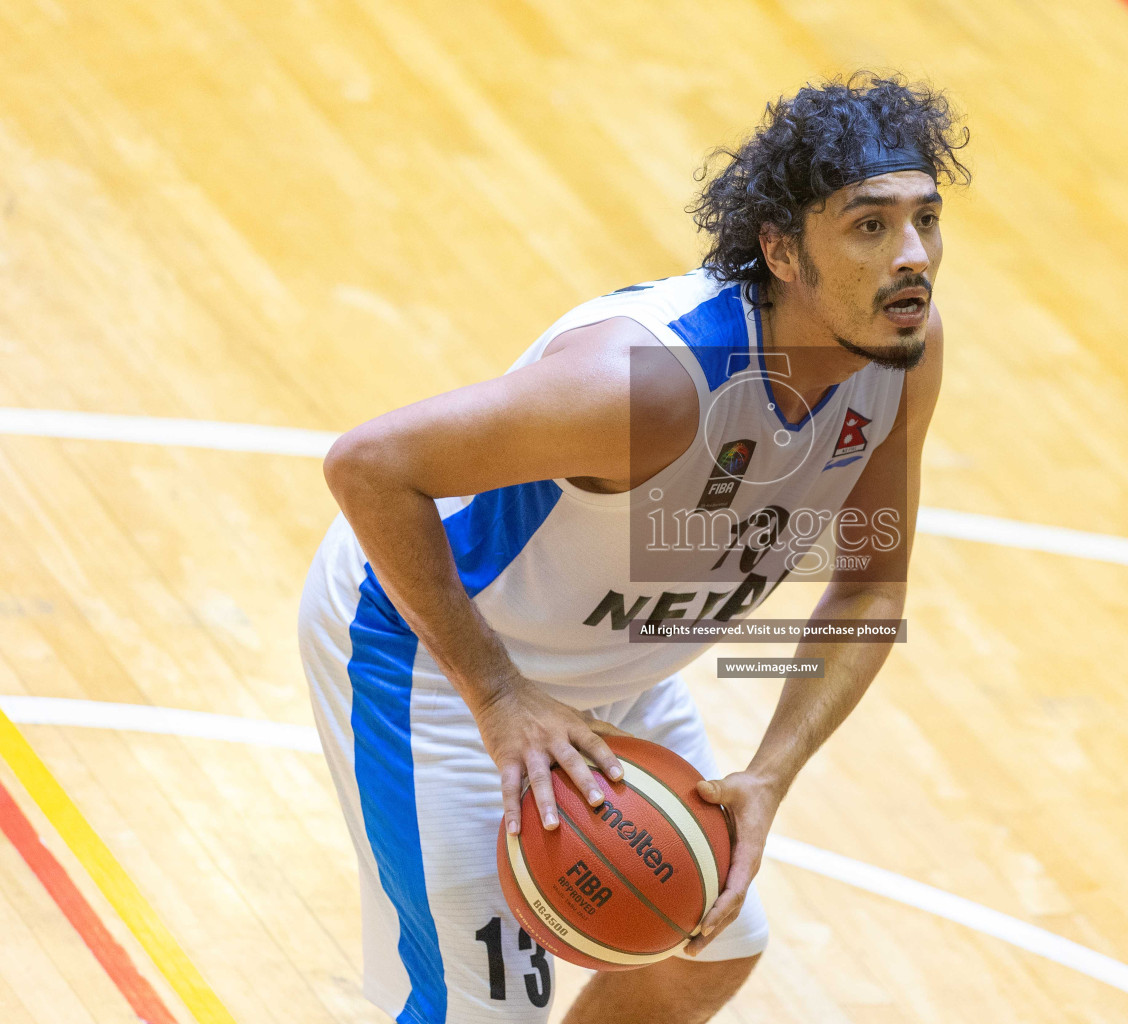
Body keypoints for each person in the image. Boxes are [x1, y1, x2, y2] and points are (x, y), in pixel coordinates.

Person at [298, 71, 969, 1024]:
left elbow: (866, 588)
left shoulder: (904, 352)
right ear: (783, 251)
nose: (914, 257)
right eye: (870, 226)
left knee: (702, 954)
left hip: (612, 669)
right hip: (435, 656)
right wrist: (498, 698)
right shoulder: (652, 385)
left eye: (926, 219)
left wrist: (770, 774)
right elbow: (369, 466)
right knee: (481, 1014)